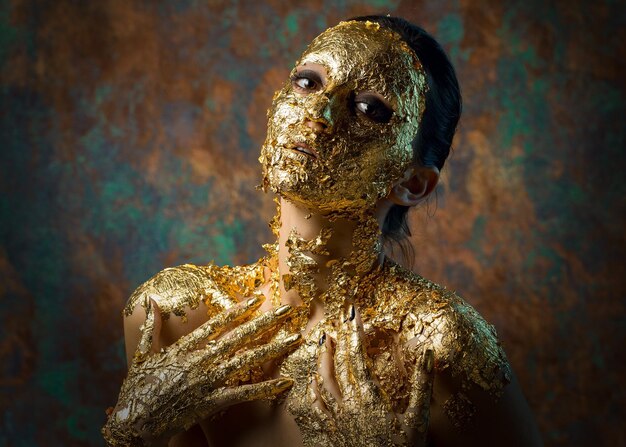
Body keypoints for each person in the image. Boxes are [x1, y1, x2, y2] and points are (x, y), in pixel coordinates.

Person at [103, 16, 542, 447]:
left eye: (370, 108)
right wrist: (132, 434)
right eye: (308, 82)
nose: (320, 112)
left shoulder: (438, 347)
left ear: (412, 183)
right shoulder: (170, 316)